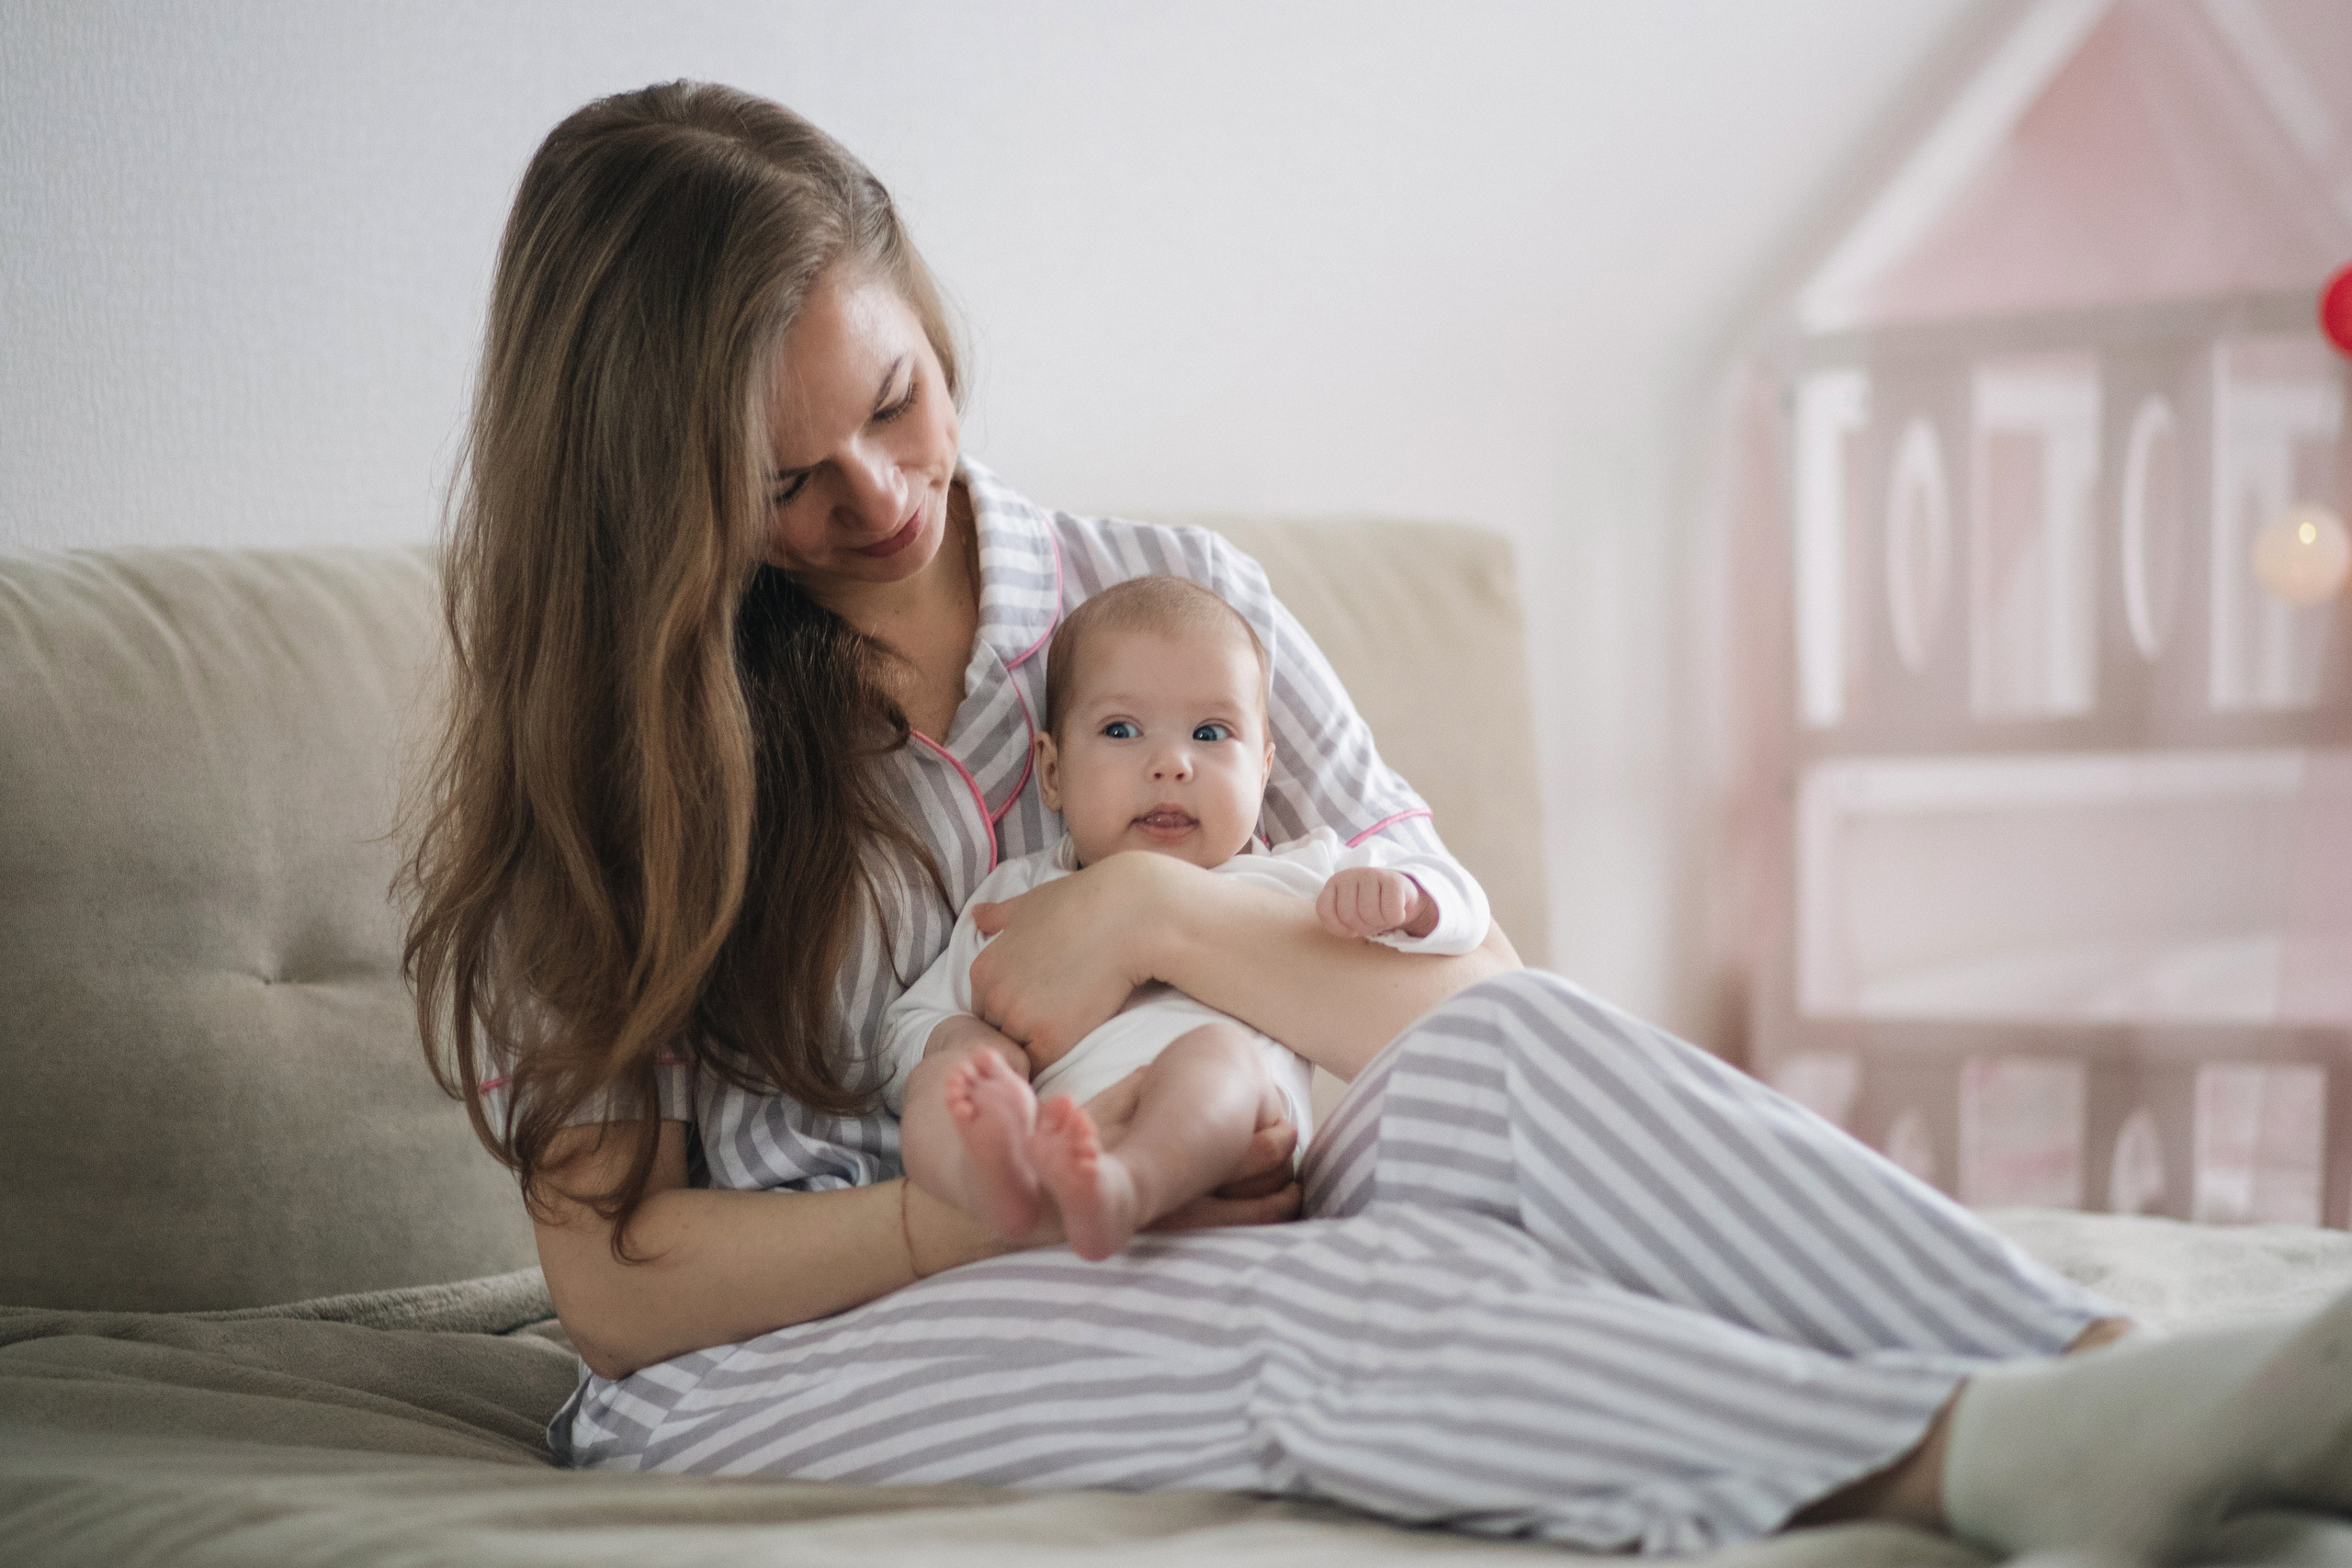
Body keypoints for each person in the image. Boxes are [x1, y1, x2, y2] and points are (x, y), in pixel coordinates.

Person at [402, 80, 2352, 1560]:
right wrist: (943, 1212)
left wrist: (1151, 927)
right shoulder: (617, 750)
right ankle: (1988, 1460)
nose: (881, 497)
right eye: (784, 481)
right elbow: (619, 1279)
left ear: (918, 301)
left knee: (1522, 1046)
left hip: (1260, 1138)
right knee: (1306, 1302)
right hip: (823, 1317)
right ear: (655, 499)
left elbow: (1467, 984)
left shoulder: (1164, 593)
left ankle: (2111, 1374)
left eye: (897, 404)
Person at [883, 574, 1492, 1260]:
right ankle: (989, 1185)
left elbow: (1472, 920)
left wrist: (1411, 898)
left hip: (1236, 1149)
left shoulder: (1303, 873)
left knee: (1216, 1057)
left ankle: (1127, 1184)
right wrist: (961, 1042)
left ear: (1263, 771)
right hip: (1054, 1136)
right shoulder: (1017, 896)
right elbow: (903, 1029)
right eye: (1121, 729)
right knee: (950, 1078)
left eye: (1210, 732)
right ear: (1052, 770)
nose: (1171, 762)